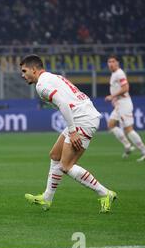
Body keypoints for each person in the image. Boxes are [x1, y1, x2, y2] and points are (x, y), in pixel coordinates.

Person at [19, 54, 117, 213]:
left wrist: (72, 131)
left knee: (66, 166)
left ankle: (105, 193)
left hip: (82, 120)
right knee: (55, 155)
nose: (23, 75)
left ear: (34, 69)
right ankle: (47, 198)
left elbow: (63, 103)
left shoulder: (42, 85)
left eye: (24, 71)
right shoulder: (52, 77)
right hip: (82, 115)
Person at [105, 55, 145, 161]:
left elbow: (125, 88)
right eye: (109, 62)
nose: (110, 64)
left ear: (117, 63)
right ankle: (127, 146)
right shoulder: (114, 74)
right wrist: (114, 99)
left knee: (128, 129)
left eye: (113, 61)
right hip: (119, 105)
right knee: (111, 124)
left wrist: (112, 96)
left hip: (124, 104)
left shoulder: (119, 73)